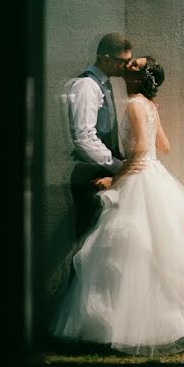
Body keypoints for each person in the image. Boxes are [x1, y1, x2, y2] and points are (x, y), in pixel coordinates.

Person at [52, 57, 184, 355]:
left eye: (136, 67)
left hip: (139, 176)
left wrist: (114, 181)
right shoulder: (150, 105)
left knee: (130, 250)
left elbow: (140, 148)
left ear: (141, 78)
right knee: (153, 252)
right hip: (155, 174)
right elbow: (163, 147)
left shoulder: (134, 104)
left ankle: (130, 326)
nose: (129, 68)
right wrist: (152, 125)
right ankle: (171, 322)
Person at [63, 33, 133, 239]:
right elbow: (84, 137)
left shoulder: (103, 85)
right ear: (105, 58)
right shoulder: (86, 86)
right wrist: (118, 166)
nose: (127, 66)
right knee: (87, 245)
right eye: (123, 61)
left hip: (104, 172)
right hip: (92, 176)